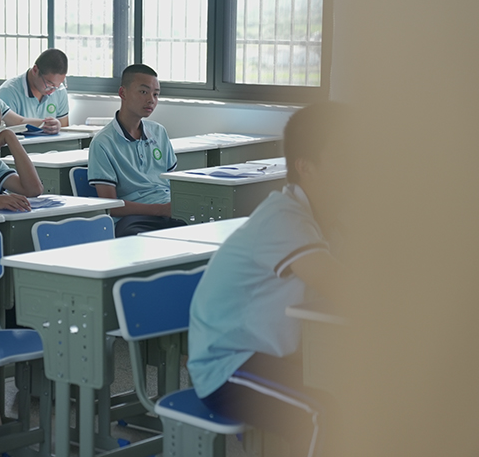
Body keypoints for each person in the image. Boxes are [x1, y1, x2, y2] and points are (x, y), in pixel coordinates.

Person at [187, 102, 348, 457]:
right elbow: (343, 287)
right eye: (346, 157)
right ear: (306, 166)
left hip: (278, 353)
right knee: (320, 416)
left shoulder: (328, 216)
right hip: (230, 363)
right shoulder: (284, 218)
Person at [87, 64, 186, 237]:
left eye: (156, 94)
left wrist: (172, 207)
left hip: (169, 210)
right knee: (134, 236)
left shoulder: (159, 132)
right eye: (143, 92)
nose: (151, 100)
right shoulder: (103, 142)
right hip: (135, 217)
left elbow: (171, 185)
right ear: (123, 93)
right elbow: (110, 205)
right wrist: (159, 210)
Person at [0, 48, 70, 134]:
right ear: (35, 70)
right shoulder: (8, 92)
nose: (53, 90)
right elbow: (3, 133)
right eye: (49, 84)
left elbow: (64, 131)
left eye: (58, 85)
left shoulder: (59, 90)